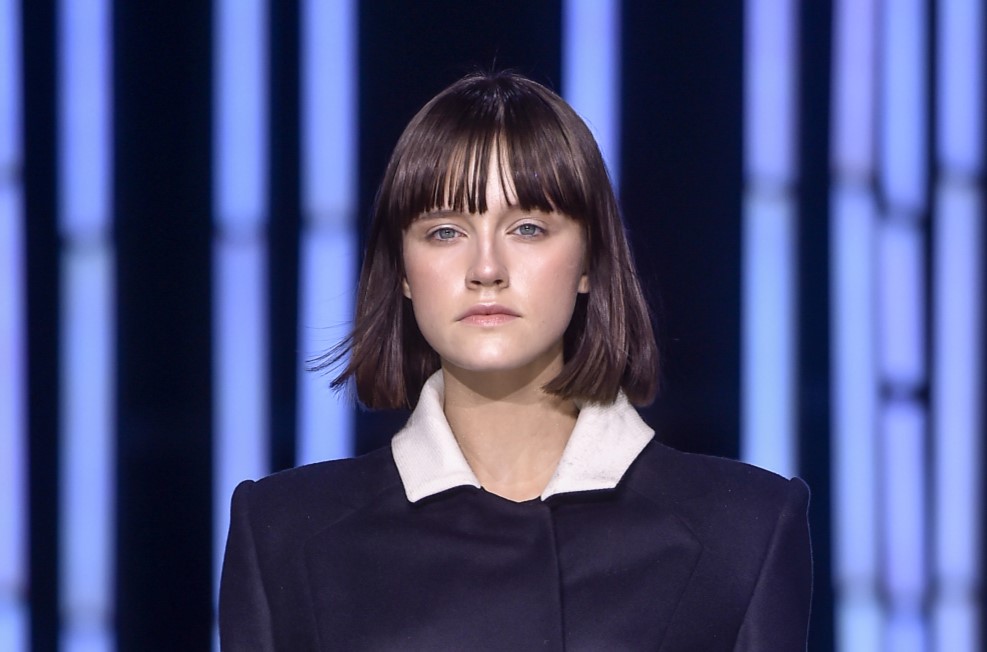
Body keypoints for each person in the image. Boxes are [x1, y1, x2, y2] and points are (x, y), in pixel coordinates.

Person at [219, 71, 812, 651]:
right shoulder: (284, 534)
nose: (486, 269)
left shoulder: (744, 531)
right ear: (402, 271)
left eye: (528, 228)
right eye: (445, 232)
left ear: (589, 261)